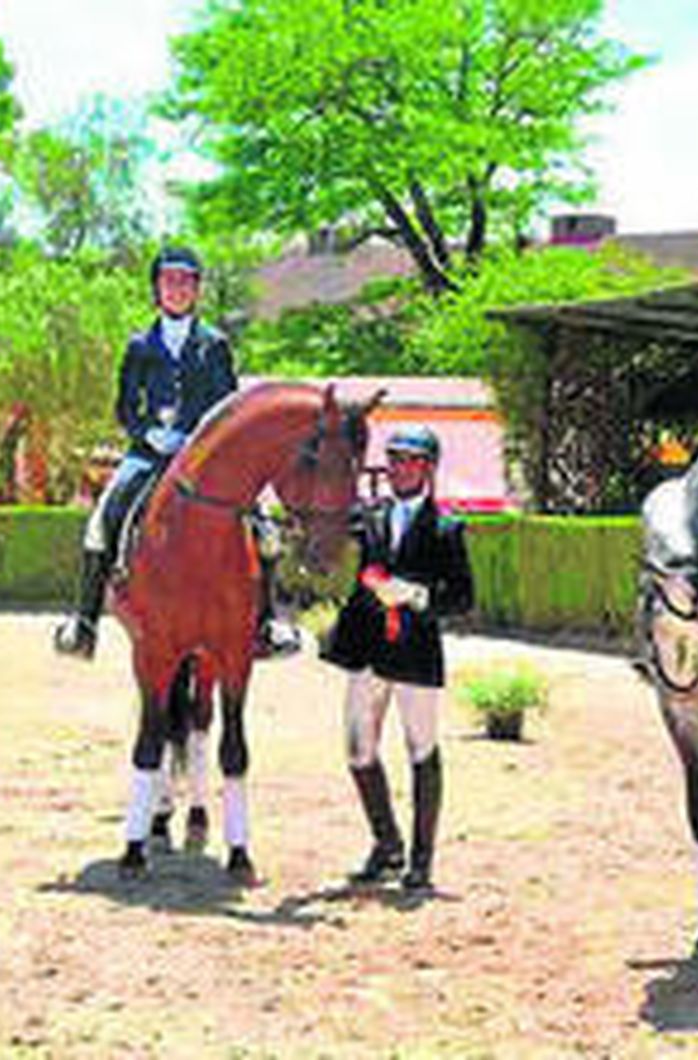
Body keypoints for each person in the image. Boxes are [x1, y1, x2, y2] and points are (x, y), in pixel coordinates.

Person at [52, 245, 299, 661]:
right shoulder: (139, 346)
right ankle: (84, 622)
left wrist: (198, 439)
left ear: (197, 290)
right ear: (157, 288)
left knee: (264, 528)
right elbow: (125, 407)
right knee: (102, 519)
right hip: (148, 453)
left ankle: (268, 623)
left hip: (204, 456)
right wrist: (149, 434)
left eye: (186, 281)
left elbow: (228, 405)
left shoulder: (215, 345)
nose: (177, 289)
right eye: (169, 280)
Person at [320, 426, 474, 892]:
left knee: (421, 749)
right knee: (357, 750)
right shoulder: (369, 516)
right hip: (367, 649)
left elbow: (463, 598)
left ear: (427, 468)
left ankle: (422, 859)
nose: (397, 468)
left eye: (408, 460)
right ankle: (387, 844)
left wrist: (418, 595)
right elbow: (324, 520)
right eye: (393, 459)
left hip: (414, 655)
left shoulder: (447, 527)